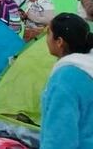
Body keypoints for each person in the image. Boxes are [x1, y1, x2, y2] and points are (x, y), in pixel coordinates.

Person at [40, 13, 93, 149]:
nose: (46, 39)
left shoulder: (65, 79)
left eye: (48, 34)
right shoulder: (88, 67)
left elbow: (60, 137)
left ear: (59, 42)